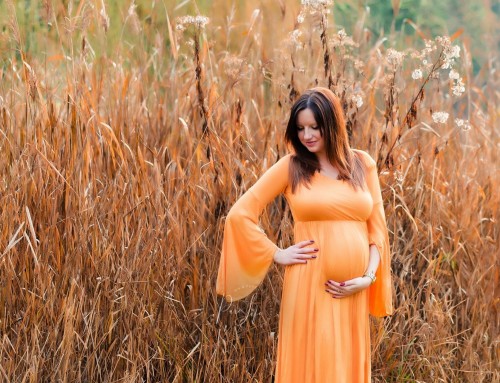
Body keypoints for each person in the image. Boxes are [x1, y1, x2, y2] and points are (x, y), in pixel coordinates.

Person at [216, 87, 393, 382]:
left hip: (353, 291)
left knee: (344, 368)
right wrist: (276, 253)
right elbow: (239, 214)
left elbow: (377, 231)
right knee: (314, 363)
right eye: (300, 128)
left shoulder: (363, 164)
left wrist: (367, 278)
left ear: (332, 125)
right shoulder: (292, 167)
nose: (307, 135)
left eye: (314, 127)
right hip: (310, 285)